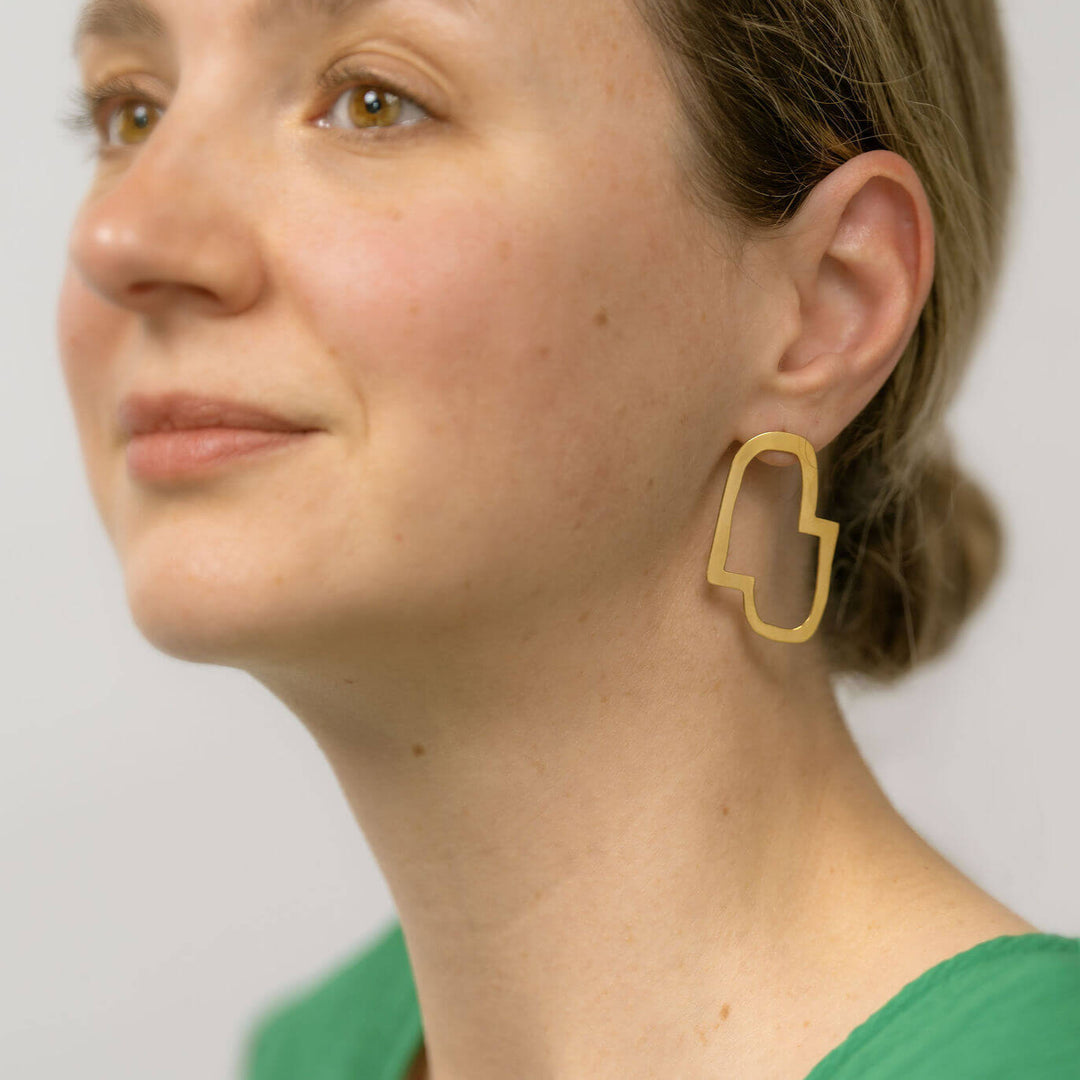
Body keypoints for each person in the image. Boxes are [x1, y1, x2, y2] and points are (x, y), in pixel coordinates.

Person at [58, 0, 1079, 1076]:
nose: (120, 235)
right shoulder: (317, 1055)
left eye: (373, 100)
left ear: (827, 301)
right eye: (129, 110)